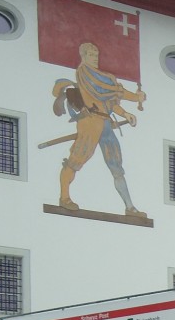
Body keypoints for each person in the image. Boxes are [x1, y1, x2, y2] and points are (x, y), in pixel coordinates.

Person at [51, 42, 147, 218]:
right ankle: (64, 197)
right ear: (83, 56)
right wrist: (135, 97)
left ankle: (130, 207)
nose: (95, 58)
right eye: (91, 55)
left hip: (106, 124)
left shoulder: (102, 77)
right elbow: (106, 91)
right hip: (90, 122)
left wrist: (125, 113)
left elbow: (109, 103)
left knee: (116, 165)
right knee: (76, 159)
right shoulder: (85, 73)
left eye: (96, 55)